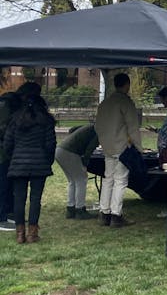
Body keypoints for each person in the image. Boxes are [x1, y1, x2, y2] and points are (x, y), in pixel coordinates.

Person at [3, 93, 56, 243]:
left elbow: (7, 144)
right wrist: (47, 161)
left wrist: (14, 157)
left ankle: (20, 234)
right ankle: (32, 233)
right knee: (35, 199)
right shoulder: (46, 121)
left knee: (19, 199)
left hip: (18, 164)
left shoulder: (15, 120)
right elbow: (50, 145)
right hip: (39, 164)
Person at [94, 73, 143, 227]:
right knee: (120, 181)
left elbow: (97, 126)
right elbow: (133, 127)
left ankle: (104, 212)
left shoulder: (104, 103)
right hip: (122, 147)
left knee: (108, 179)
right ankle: (116, 214)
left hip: (107, 146)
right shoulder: (125, 103)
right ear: (127, 85)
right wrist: (139, 147)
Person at [54, 124, 98, 219]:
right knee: (81, 180)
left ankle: (71, 209)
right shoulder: (100, 130)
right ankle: (80, 210)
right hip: (70, 152)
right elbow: (90, 148)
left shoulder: (90, 126)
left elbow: (72, 129)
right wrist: (85, 164)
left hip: (59, 150)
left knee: (72, 181)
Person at [0, 90, 23, 232]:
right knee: (3, 186)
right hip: (3, 155)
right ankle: (2, 217)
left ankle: (6, 213)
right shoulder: (5, 110)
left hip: (4, 155)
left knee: (5, 185)